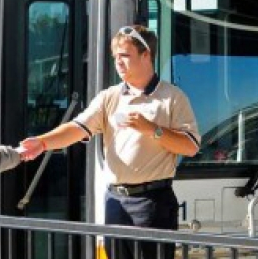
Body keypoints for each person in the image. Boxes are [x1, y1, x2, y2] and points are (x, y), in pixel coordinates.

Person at [19, 25, 200, 259]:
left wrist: (152, 130)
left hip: (152, 203)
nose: (118, 63)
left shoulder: (173, 97)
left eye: (124, 55)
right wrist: (42, 143)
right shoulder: (109, 96)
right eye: (115, 57)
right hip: (115, 202)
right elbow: (76, 128)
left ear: (146, 55)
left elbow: (191, 147)